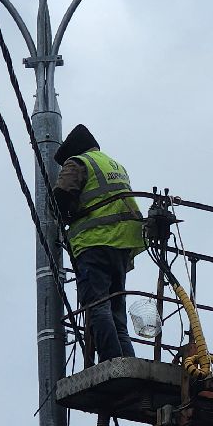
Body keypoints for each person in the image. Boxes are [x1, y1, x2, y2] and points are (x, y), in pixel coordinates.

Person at [52, 124, 144, 362]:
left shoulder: (77, 162)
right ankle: (126, 363)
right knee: (116, 313)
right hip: (122, 244)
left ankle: (111, 362)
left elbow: (60, 198)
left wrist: (62, 215)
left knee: (97, 306)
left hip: (95, 242)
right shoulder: (113, 164)